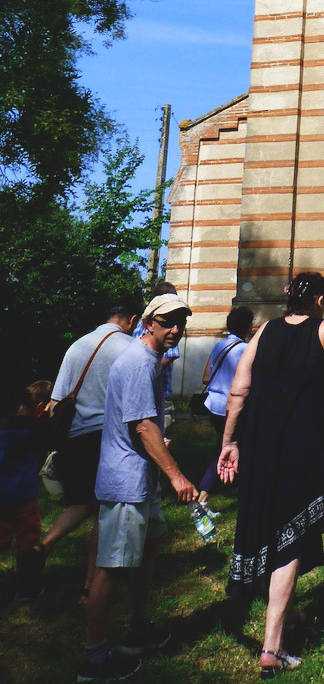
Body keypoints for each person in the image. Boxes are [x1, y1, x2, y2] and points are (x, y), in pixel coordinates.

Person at [219, 271, 324, 676]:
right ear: (319, 299)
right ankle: (272, 648)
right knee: (290, 541)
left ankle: (291, 611)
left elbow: (239, 390)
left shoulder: (264, 332)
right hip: (302, 447)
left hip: (261, 443)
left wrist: (230, 442)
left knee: (270, 525)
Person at [79, 292, 199, 682]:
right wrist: (177, 475)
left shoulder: (149, 360)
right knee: (111, 568)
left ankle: (138, 630)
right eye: (168, 322)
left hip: (141, 480)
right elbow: (143, 427)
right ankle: (94, 660)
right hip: (125, 483)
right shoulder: (135, 363)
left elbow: (147, 425)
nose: (176, 330)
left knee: (149, 551)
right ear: (148, 322)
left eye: (181, 322)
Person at [42, 298, 142, 600]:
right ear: (133, 320)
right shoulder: (129, 348)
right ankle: (90, 585)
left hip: (73, 437)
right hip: (107, 438)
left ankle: (42, 546)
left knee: (82, 502)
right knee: (104, 509)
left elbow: (56, 402)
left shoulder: (78, 345)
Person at [196, 306, 254, 506]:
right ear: (248, 327)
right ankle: (202, 496)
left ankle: (238, 486)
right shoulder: (246, 350)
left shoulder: (218, 347)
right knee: (225, 447)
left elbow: (205, 378)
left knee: (232, 445)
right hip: (233, 408)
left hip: (213, 405)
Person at [0, 379, 51, 601]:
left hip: (2, 496)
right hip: (24, 498)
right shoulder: (34, 431)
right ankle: (28, 588)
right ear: (40, 408)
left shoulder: (6, 425)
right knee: (27, 540)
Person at [132, 281, 181, 431]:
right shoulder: (154, 324)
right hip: (144, 391)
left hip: (158, 392)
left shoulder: (169, 325)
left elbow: (169, 356)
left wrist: (146, 372)